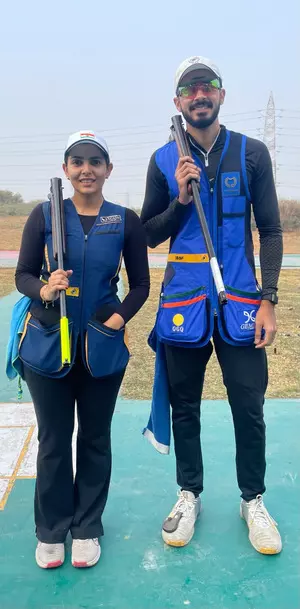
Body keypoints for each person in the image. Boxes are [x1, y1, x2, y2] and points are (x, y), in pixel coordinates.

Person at [141, 56, 283, 554]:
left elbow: (270, 230)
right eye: (189, 89)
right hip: (183, 305)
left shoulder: (252, 153)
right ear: (178, 102)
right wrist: (179, 199)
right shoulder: (164, 159)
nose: (199, 95)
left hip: (242, 304)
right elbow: (147, 236)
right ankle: (190, 494)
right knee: (185, 409)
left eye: (209, 86)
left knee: (250, 406)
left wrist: (269, 300)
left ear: (221, 95)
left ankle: (253, 500)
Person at [15, 130, 150, 568]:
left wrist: (118, 318)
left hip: (101, 345)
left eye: (95, 161)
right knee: (54, 441)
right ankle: (52, 530)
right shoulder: (43, 215)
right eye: (77, 161)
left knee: (94, 439)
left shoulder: (124, 219)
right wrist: (45, 288)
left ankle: (87, 527)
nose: (86, 168)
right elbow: (22, 275)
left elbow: (142, 284)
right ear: (65, 169)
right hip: (49, 345)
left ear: (109, 169)